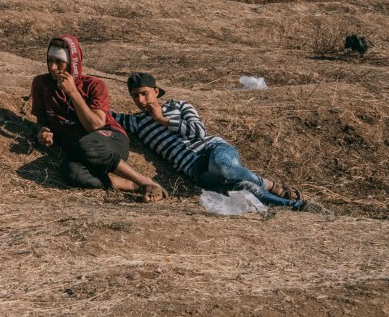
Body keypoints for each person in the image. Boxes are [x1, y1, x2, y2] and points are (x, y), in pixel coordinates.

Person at [114, 72, 326, 213]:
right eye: (135, 96)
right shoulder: (135, 122)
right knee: (242, 187)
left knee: (223, 167)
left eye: (144, 93)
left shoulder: (178, 106)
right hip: (194, 169)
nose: (140, 101)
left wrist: (162, 119)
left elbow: (199, 131)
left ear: (156, 91)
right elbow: (101, 112)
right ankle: (298, 207)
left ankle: (271, 185)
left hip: (213, 149)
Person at [30, 36, 165, 201]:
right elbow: (42, 119)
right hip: (80, 150)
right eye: (49, 60)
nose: (53, 67)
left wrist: (73, 92)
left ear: (73, 63)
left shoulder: (94, 85)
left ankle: (144, 181)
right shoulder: (41, 83)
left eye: (59, 62)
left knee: (86, 144)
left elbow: (96, 125)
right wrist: (43, 131)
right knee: (70, 171)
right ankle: (131, 185)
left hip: (110, 138)